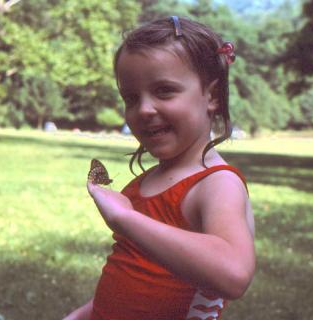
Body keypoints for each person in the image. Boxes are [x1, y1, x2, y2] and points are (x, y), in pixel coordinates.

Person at [64, 16, 255, 320]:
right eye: (131, 97)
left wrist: (126, 218)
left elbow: (234, 273)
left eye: (164, 91)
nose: (144, 109)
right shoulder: (144, 184)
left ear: (212, 96)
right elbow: (131, 279)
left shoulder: (216, 184)